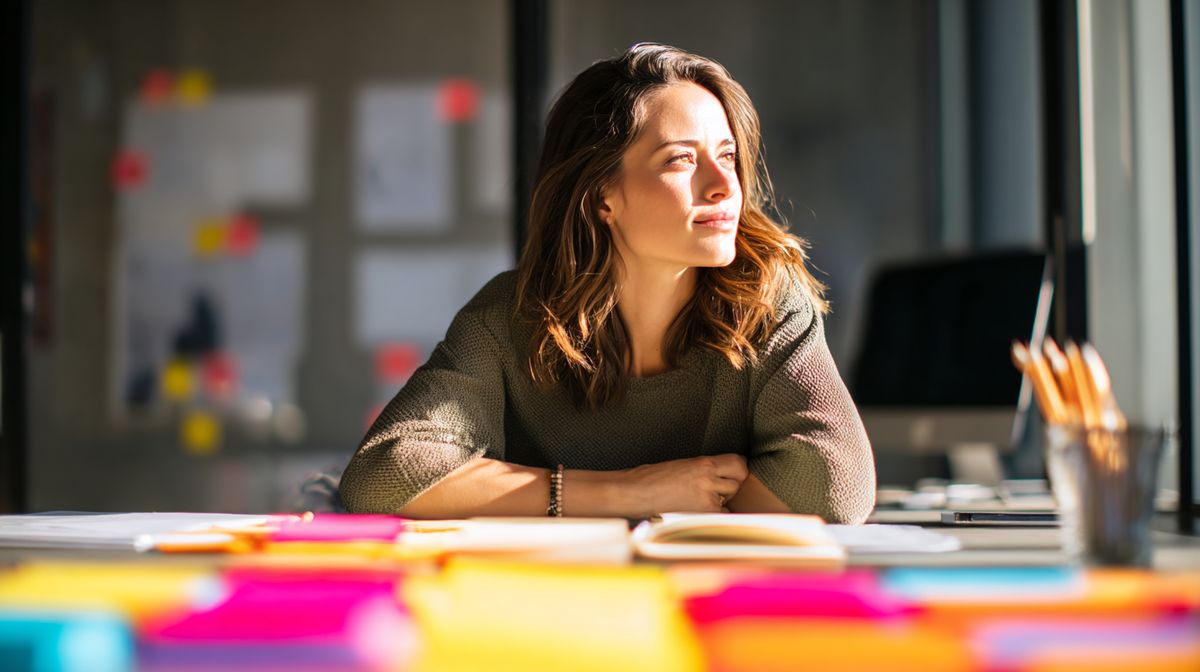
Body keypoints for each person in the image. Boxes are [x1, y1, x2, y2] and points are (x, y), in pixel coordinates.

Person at [339, 43, 875, 523]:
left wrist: (528, 496)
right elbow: (384, 475)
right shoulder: (509, 315)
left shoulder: (768, 302)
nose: (722, 186)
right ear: (602, 197)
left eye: (728, 156)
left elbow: (833, 482)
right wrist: (629, 492)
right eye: (682, 159)